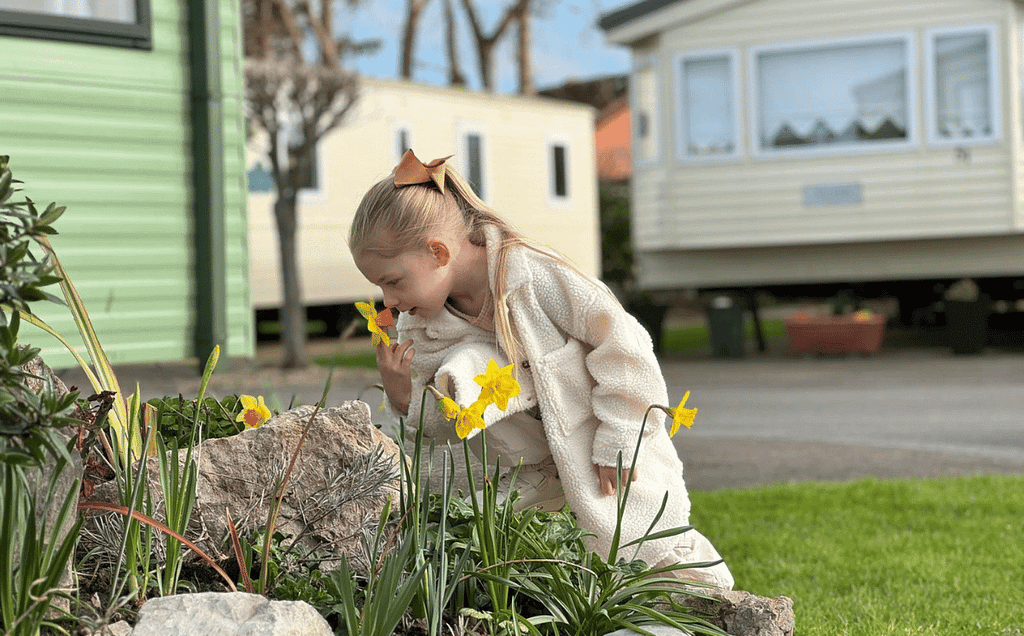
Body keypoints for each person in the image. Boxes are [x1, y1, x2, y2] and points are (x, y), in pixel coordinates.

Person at [349, 149, 734, 589]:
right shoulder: (421, 323)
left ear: (438, 252)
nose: (388, 300)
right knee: (531, 576)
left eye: (392, 281)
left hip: (599, 456)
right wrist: (403, 396)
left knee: (652, 550)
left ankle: (721, 607)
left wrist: (619, 437)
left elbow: (623, 343)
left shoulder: (531, 276)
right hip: (521, 480)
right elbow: (445, 424)